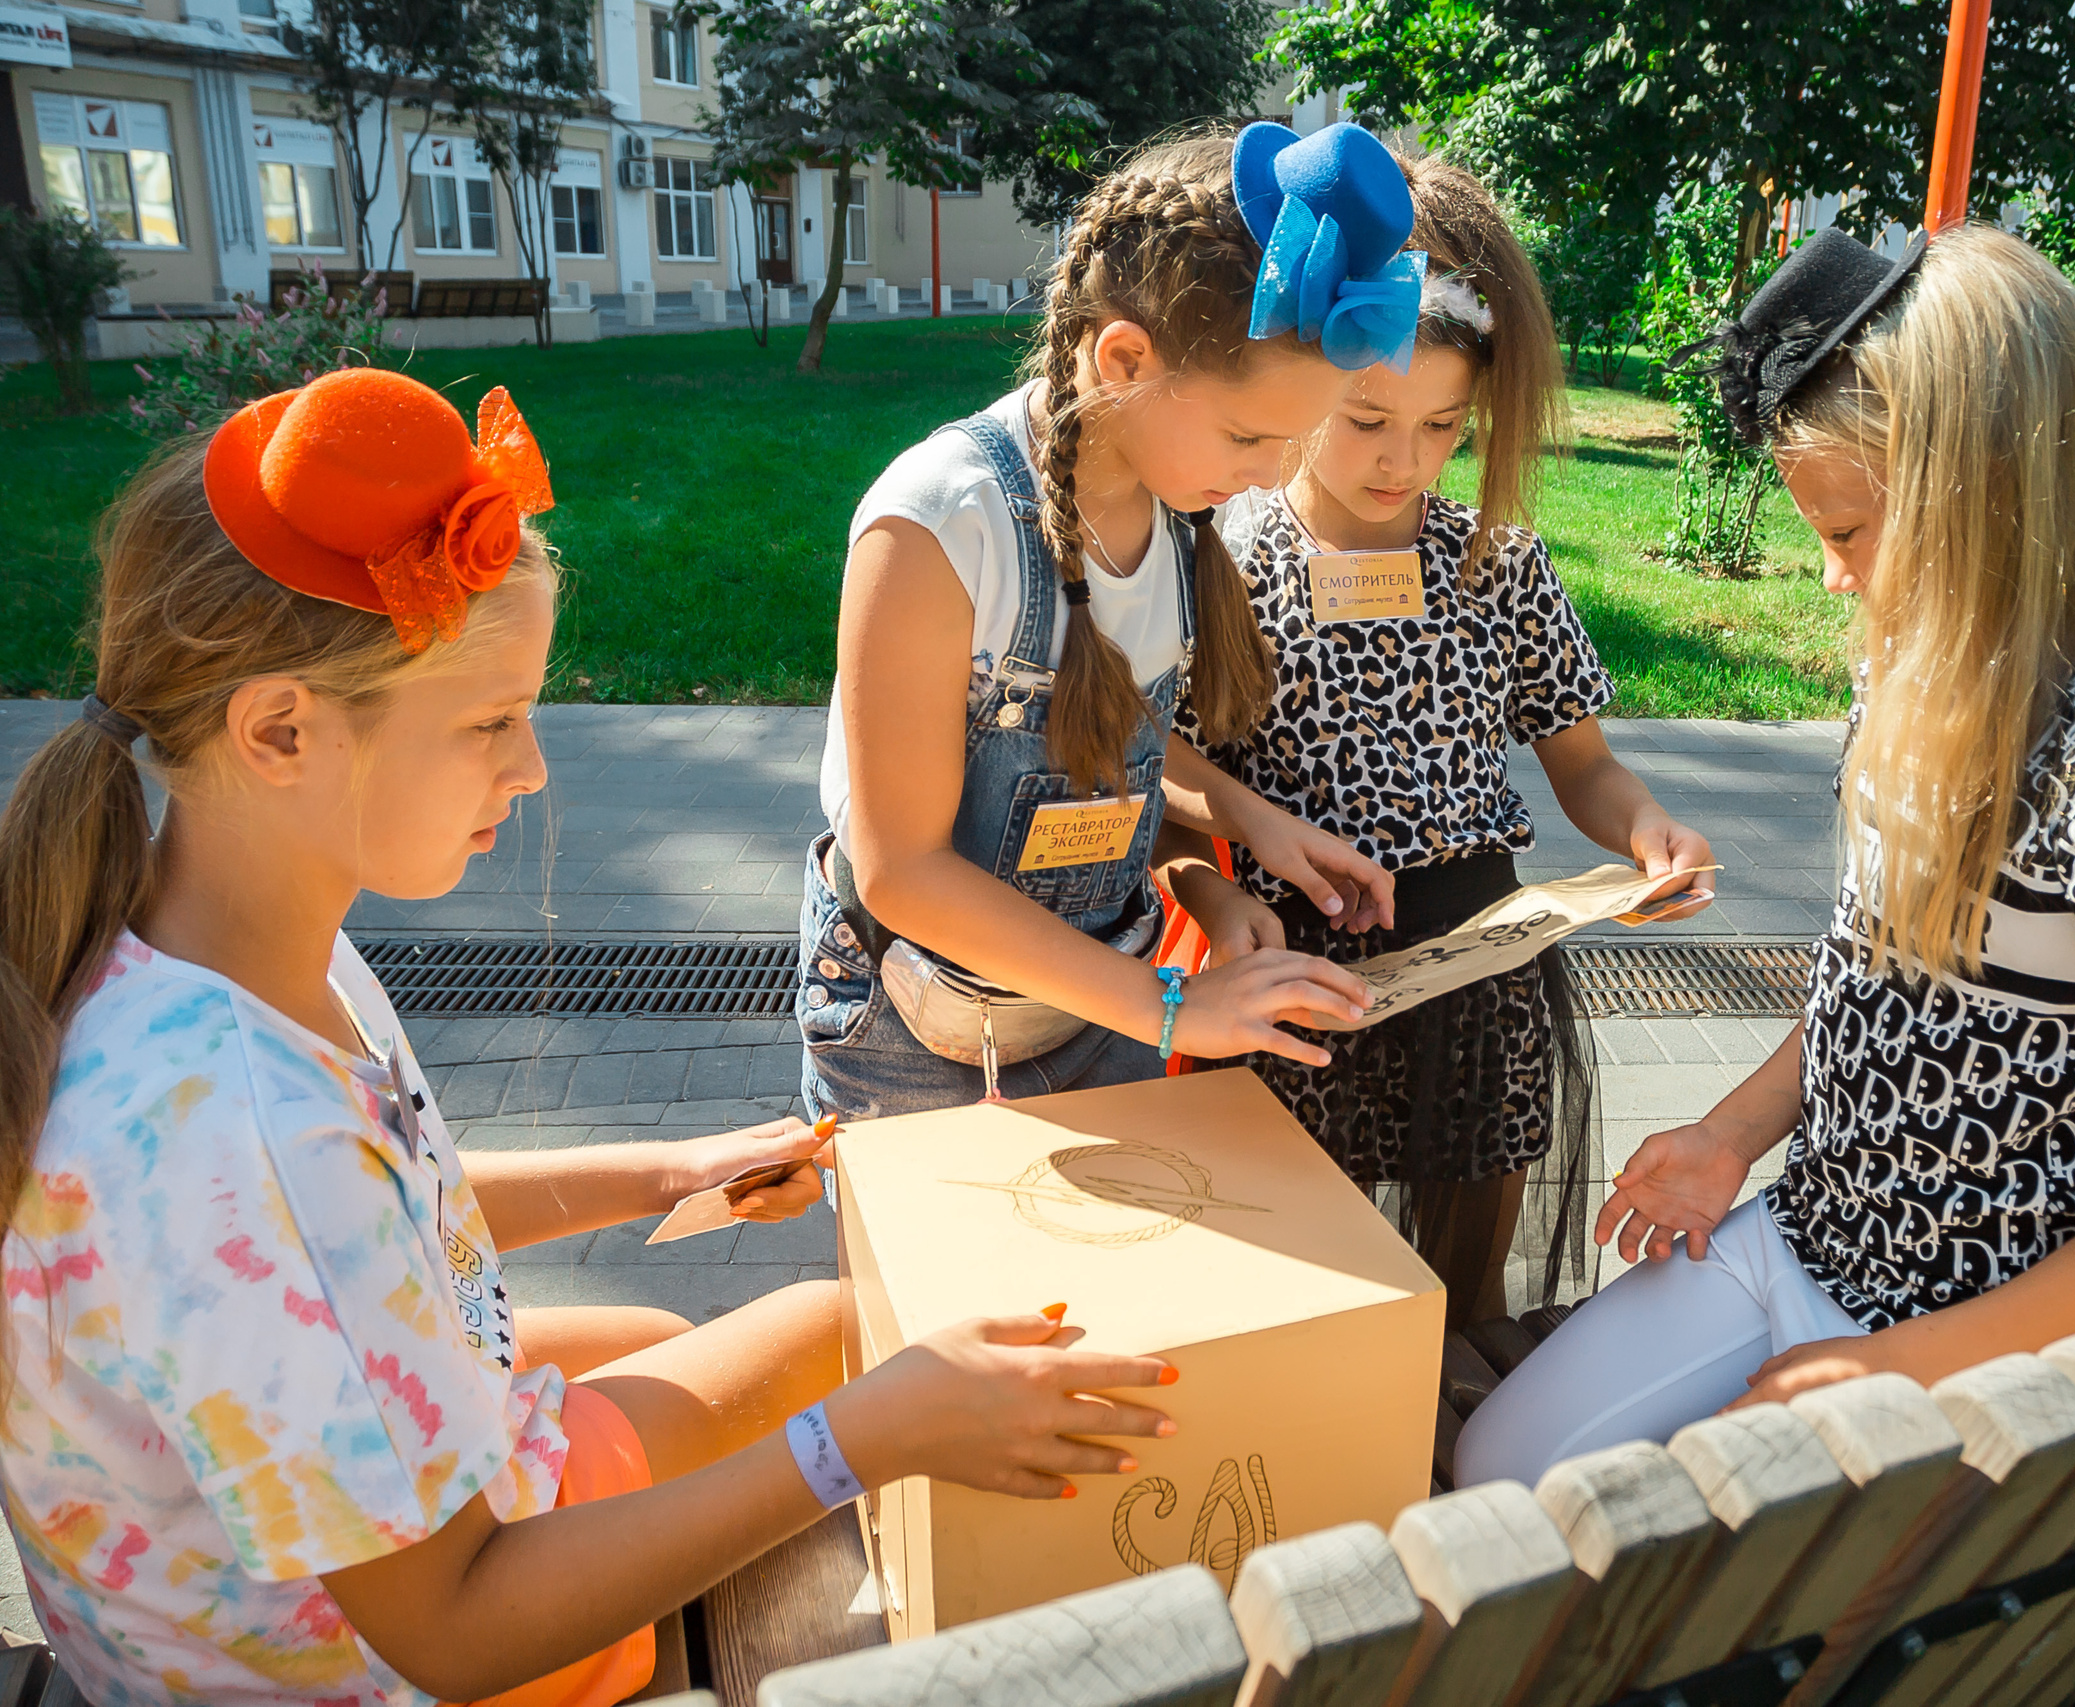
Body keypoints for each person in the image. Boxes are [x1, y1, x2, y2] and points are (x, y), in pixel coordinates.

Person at [0, 370, 1174, 1704]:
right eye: (490, 722)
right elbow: (455, 1629)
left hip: (234, 1606)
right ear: (280, 730)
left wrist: (661, 1173)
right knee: (827, 1332)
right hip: (372, 1666)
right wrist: (861, 1436)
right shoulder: (248, 1139)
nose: (535, 766)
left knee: (653, 1325)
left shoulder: (214, 945)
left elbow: (388, 1212)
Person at [1455, 225, 2075, 1487]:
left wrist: (1901, 1366)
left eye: (1846, 531)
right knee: (1501, 1467)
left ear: (1988, 500)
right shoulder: (1913, 680)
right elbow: (1877, 981)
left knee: (1702, 1559)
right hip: (1801, 1234)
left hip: (1989, 1327)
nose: (1830, 577)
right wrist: (1732, 1133)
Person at [1161, 152, 1715, 1327]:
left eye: (1441, 428)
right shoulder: (1223, 560)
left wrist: (1647, 831)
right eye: (1365, 419)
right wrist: (1211, 896)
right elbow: (1158, 777)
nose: (1399, 460)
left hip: (1479, 969)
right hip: (1296, 974)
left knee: (1464, 1290)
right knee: (1301, 1292)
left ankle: (1460, 1404)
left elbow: (1584, 763)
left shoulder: (1494, 562)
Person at [802, 121, 1443, 1122]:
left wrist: (1241, 831)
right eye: (1248, 434)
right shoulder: (938, 525)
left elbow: (1103, 747)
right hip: (915, 1033)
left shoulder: (1173, 508)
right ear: (1125, 358)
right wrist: (1171, 1007)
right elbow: (904, 872)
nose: (1268, 475)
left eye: (1291, 440)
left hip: (1100, 1019)